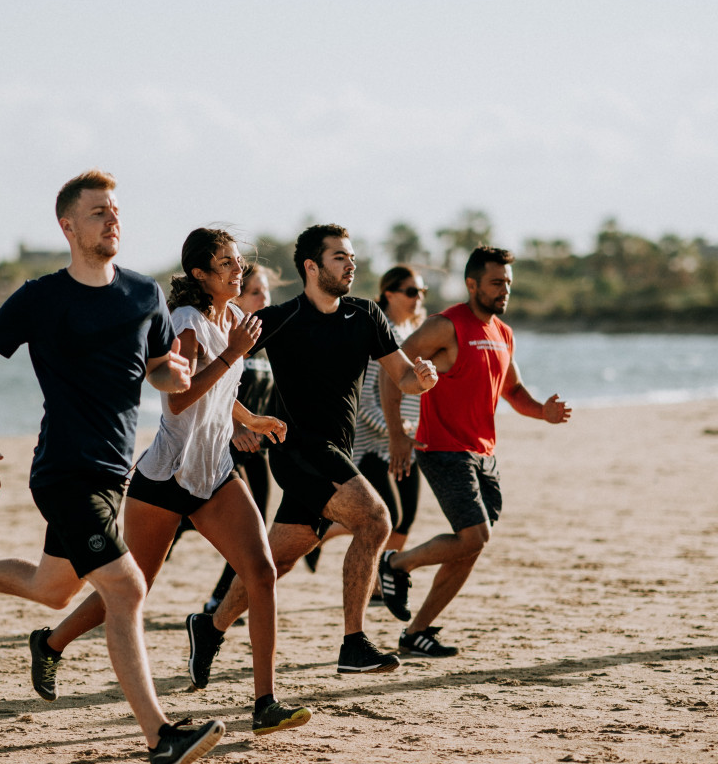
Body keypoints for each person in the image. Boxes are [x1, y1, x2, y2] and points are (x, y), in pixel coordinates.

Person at [0, 170, 224, 764]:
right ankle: (160, 738)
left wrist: (175, 377)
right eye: (99, 212)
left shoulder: (143, 295)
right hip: (62, 472)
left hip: (113, 473)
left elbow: (161, 368)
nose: (112, 220)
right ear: (68, 226)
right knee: (127, 589)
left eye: (115, 210)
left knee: (52, 590)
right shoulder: (41, 298)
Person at [28, 230, 312, 737]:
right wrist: (233, 355)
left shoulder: (232, 321)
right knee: (133, 587)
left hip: (214, 473)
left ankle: (265, 702)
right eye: (225, 263)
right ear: (201, 275)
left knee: (261, 572)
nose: (237, 269)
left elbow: (218, 394)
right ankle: (51, 643)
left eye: (238, 261)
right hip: (165, 477)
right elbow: (179, 399)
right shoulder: (186, 323)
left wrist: (251, 420)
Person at [186, 224, 439, 684]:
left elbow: (402, 377)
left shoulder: (366, 315)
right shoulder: (281, 318)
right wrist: (239, 423)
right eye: (340, 257)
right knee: (376, 519)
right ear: (312, 266)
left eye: (351, 256)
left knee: (275, 562)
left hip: (334, 451)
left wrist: (422, 378)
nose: (351, 264)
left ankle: (210, 625)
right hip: (299, 449)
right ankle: (353, 643)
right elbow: (217, 371)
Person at [376, 246, 572, 659]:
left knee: (471, 544)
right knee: (474, 535)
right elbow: (390, 372)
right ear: (472, 284)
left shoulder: (503, 332)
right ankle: (396, 564)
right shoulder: (444, 326)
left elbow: (513, 391)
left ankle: (417, 632)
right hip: (443, 448)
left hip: (484, 453)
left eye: (508, 284)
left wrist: (544, 413)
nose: (504, 291)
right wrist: (396, 434)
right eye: (496, 283)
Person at [306, 266, 428, 585]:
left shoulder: (410, 334)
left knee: (406, 518)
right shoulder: (381, 331)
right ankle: (320, 539)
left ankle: (379, 581)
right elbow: (364, 401)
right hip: (375, 445)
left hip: (406, 440)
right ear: (390, 293)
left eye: (422, 293)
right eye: (412, 291)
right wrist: (396, 432)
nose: (419, 299)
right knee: (388, 517)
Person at [202, 262, 280, 614]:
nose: (265, 299)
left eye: (267, 292)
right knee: (231, 527)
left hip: (257, 451)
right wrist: (236, 428)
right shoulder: (229, 340)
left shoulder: (267, 342)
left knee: (255, 529)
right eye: (255, 292)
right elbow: (210, 389)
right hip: (226, 448)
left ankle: (220, 595)